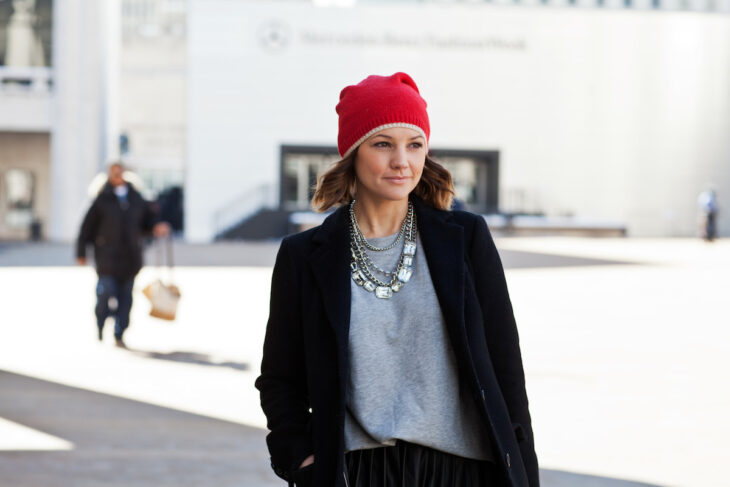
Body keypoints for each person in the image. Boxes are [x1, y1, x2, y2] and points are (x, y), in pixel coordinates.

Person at [255, 73, 538, 487]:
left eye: (415, 144)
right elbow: (280, 378)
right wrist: (301, 459)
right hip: (358, 472)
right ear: (353, 152)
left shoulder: (465, 239)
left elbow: (505, 369)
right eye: (383, 143)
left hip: (465, 470)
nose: (401, 161)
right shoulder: (303, 257)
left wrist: (524, 474)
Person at [76, 162, 170, 348]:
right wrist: (81, 253)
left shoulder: (137, 199)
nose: (118, 176)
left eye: (121, 172)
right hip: (106, 257)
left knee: (126, 298)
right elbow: (86, 229)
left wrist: (157, 227)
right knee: (106, 293)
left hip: (131, 258)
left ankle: (120, 333)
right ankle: (101, 323)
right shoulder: (101, 200)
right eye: (114, 173)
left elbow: (148, 222)